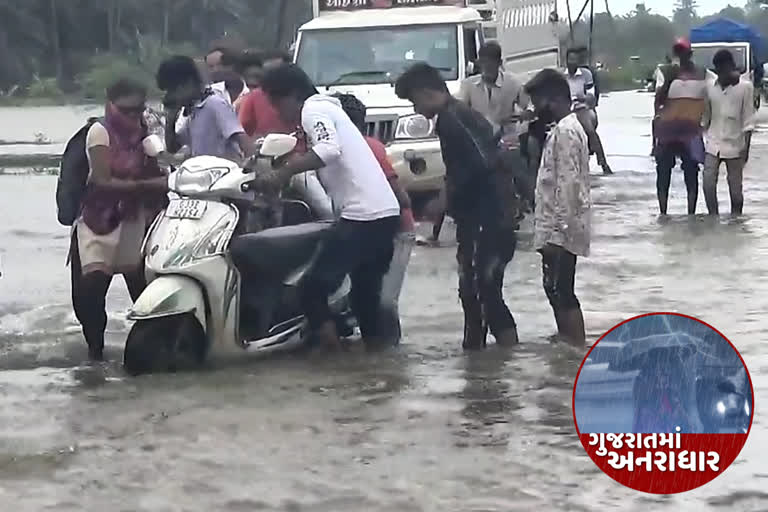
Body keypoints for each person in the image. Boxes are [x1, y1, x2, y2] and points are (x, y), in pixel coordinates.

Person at [258, 64, 402, 351]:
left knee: (311, 290)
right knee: (364, 297)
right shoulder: (328, 110)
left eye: (276, 102)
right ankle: (376, 362)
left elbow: (328, 149)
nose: (275, 111)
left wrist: (282, 174)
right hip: (385, 214)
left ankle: (333, 359)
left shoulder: (313, 110)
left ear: (293, 95)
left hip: (363, 217)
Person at [395, 62, 525, 349]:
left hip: (488, 218)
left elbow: (481, 162)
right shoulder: (459, 117)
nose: (416, 110)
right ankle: (480, 365)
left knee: (484, 293)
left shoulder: (452, 119)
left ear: (427, 92)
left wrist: (444, 198)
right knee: (474, 293)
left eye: (414, 101)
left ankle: (506, 356)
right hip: (486, 217)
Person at [70, 79, 169, 361]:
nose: (132, 117)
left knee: (142, 286)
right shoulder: (99, 132)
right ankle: (95, 353)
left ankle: (153, 348)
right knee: (92, 288)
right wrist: (152, 185)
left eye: (138, 110)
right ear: (111, 105)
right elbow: (102, 181)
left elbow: (161, 163)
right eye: (126, 111)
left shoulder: (147, 131)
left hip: (134, 217)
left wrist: (168, 167)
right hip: (98, 217)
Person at [335, 93, 416, 341]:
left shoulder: (368, 149)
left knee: (384, 302)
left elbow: (402, 199)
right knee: (366, 298)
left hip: (396, 231)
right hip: (363, 232)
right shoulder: (336, 151)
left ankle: (390, 360)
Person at [524, 69, 591, 347]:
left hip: (560, 231)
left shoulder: (565, 132)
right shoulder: (566, 129)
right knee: (555, 288)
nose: (536, 109)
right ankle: (567, 342)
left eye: (538, 102)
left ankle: (574, 345)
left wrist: (557, 235)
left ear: (552, 99)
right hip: (560, 228)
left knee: (562, 290)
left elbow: (568, 185)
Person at [157, 55, 254, 161]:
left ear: (188, 83)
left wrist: (250, 164)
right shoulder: (194, 111)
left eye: (173, 91)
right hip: (204, 173)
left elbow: (241, 138)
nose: (171, 97)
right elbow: (173, 148)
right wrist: (170, 120)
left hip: (224, 172)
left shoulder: (215, 104)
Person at [654, 38, 707, 216]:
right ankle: (663, 214)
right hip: (667, 130)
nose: (681, 56)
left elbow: (714, 94)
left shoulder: (702, 74)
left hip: (691, 132)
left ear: (690, 54)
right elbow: (658, 101)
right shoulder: (664, 72)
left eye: (683, 52)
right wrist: (670, 80)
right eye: (678, 52)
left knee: (691, 173)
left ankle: (691, 215)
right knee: (663, 172)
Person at [702, 49, 756, 216]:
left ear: (731, 67)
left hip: (735, 144)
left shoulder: (745, 88)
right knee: (708, 184)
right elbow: (706, 117)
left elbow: (748, 120)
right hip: (713, 143)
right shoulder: (711, 87)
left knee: (735, 190)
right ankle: (713, 218)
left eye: (725, 70)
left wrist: (746, 147)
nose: (722, 75)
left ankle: (736, 221)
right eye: (719, 71)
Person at [565, 46, 612, 175]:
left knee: (589, 129)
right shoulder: (561, 76)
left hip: (582, 108)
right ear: (566, 61)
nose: (572, 62)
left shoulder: (586, 75)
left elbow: (591, 98)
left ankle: (603, 162)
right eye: (570, 59)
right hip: (565, 110)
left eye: (575, 60)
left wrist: (583, 98)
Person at [238, 51, 294, 138]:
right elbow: (243, 131)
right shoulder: (253, 98)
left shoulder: (300, 96)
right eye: (268, 71)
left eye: (277, 71)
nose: (272, 75)